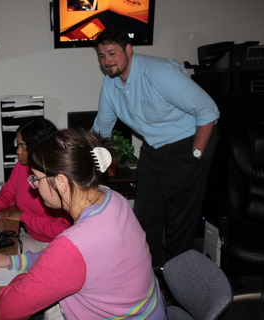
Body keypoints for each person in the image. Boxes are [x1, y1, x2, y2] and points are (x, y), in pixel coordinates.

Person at [0, 129, 166, 320]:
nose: (34, 186)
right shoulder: (112, 199)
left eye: (36, 178)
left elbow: (8, 309)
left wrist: (28, 279)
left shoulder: (74, 244)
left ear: (62, 182)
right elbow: (69, 262)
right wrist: (13, 262)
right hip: (151, 311)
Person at [91, 25, 220, 266]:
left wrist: (195, 155)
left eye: (112, 53)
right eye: (102, 55)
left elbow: (208, 111)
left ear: (128, 50)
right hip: (154, 148)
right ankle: (146, 278)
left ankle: (177, 287)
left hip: (187, 144)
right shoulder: (110, 85)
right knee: (144, 218)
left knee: (179, 223)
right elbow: (101, 130)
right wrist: (79, 160)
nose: (107, 61)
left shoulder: (158, 72)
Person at [0, 118, 72, 252]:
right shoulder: (21, 167)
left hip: (57, 244)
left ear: (39, 147)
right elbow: (8, 194)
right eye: (17, 145)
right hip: (33, 238)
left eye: (23, 147)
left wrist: (23, 216)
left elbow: (61, 229)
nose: (18, 151)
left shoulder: (58, 179)